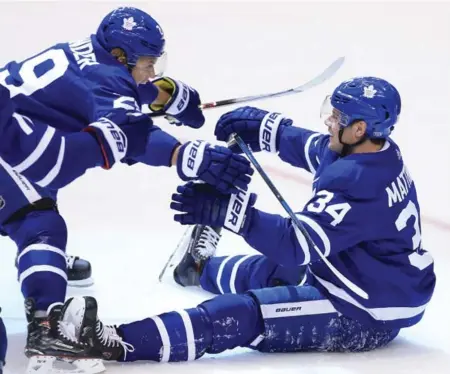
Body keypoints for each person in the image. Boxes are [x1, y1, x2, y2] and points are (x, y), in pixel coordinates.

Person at [61, 76, 436, 365]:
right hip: (375, 277)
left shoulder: (359, 183)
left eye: (336, 117)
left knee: (241, 313)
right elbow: (317, 151)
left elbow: (296, 246)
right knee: (272, 270)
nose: (327, 121)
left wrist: (231, 214)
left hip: (366, 311)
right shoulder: (379, 152)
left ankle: (114, 341)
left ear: (358, 130)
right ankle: (197, 269)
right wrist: (270, 130)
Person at [0, 6, 253, 372]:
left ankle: (43, 277)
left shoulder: (86, 52)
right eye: (147, 65)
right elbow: (133, 135)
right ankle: (46, 323)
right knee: (39, 225)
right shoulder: (110, 83)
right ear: (121, 57)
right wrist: (184, 154)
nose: (151, 72)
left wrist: (163, 92)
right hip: (13, 157)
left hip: (16, 133)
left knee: (34, 206)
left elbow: (99, 90)